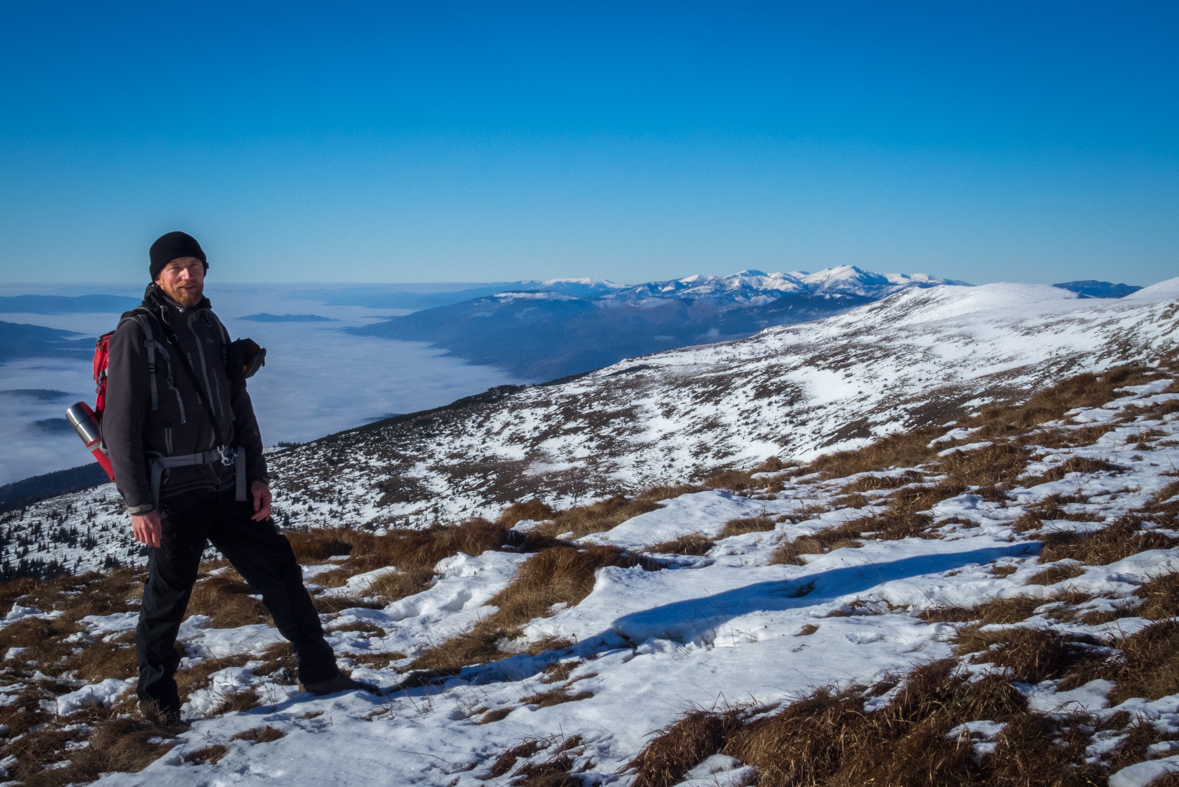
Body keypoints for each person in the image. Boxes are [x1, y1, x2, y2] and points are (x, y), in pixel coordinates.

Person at [104, 230, 374, 723]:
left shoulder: (211, 325)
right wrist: (139, 504)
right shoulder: (136, 333)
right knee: (168, 600)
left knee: (282, 575)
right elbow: (119, 425)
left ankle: (320, 671)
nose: (188, 275)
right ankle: (158, 698)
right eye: (177, 268)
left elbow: (238, 405)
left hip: (226, 481)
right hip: (173, 492)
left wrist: (257, 476)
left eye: (195, 266)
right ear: (158, 277)